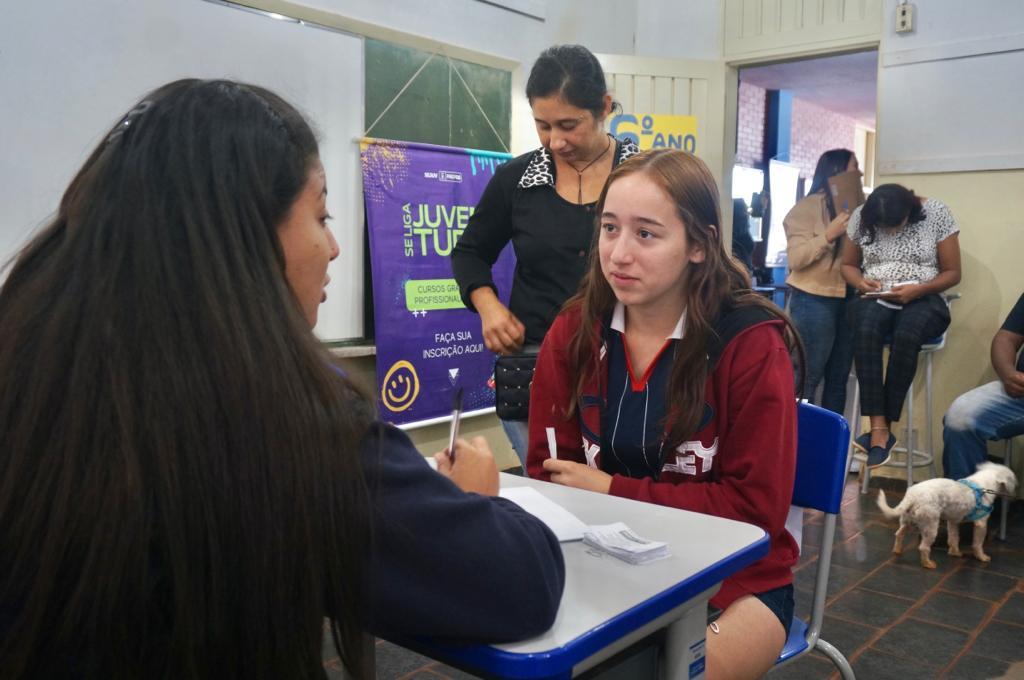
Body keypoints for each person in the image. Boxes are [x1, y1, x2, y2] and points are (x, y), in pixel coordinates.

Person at [0, 79, 565, 679]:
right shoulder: (279, 416)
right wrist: (469, 505)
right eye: (320, 215)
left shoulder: (29, 360)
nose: (335, 246)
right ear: (241, 237)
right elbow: (516, 582)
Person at [527, 149, 802, 680]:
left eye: (646, 234)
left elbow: (753, 514)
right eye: (609, 228)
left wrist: (610, 490)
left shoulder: (749, 343)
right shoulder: (575, 330)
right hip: (603, 564)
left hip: (738, 578)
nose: (619, 255)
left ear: (698, 245)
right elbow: (548, 474)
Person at [451, 44, 638, 468]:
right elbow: (470, 253)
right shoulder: (516, 179)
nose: (556, 141)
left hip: (625, 364)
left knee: (615, 491)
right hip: (532, 366)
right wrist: (488, 307)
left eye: (570, 125)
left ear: (604, 107)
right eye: (543, 126)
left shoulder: (644, 177)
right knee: (549, 486)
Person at [842, 184, 962, 468]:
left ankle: (885, 430)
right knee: (865, 328)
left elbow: (953, 272)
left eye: (896, 225)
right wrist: (861, 282)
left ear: (911, 209)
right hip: (877, 296)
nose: (891, 232)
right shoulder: (861, 216)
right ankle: (879, 429)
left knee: (907, 333)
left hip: (925, 296)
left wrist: (917, 290)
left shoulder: (937, 213)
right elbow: (848, 265)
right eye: (883, 228)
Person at [783, 149, 859, 414]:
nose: (859, 173)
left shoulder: (857, 207)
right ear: (837, 172)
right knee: (807, 377)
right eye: (854, 167)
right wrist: (828, 235)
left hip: (850, 299)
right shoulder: (806, 208)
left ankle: (830, 450)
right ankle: (798, 446)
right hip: (813, 299)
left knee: (839, 380)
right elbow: (796, 259)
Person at [942, 292, 1024, 480]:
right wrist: (1008, 374)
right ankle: (968, 503)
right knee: (960, 417)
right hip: (1020, 393)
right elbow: (1006, 339)